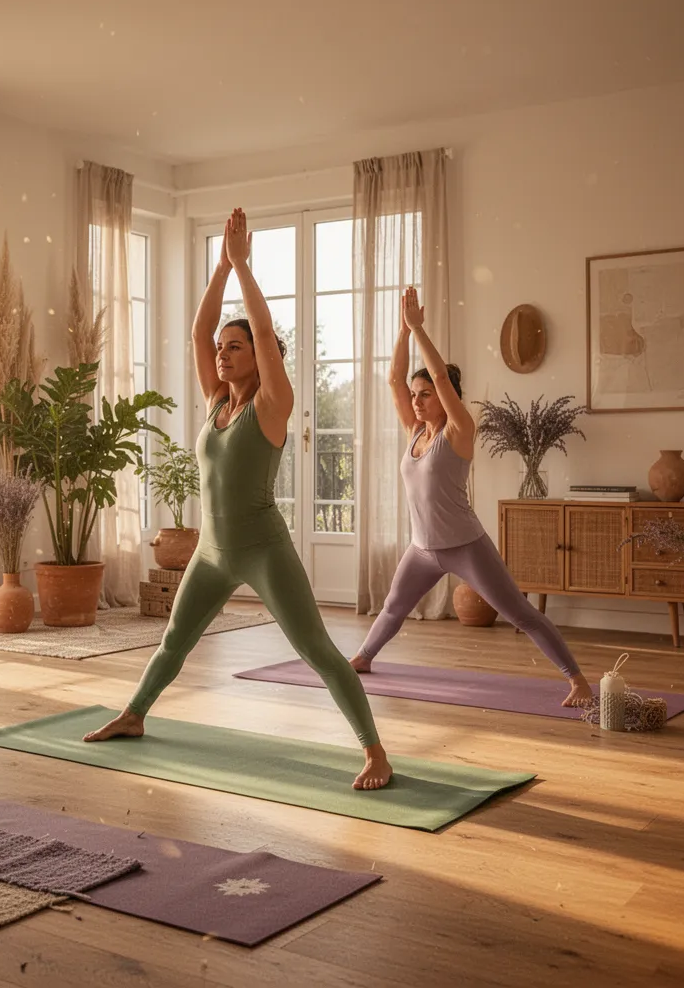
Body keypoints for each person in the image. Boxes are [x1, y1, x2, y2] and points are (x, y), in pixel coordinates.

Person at [85, 209, 393, 789]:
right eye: (223, 348)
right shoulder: (214, 401)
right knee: (174, 641)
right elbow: (197, 335)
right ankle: (133, 715)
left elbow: (265, 339)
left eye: (236, 347)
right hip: (212, 552)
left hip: (262, 549)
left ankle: (375, 750)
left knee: (319, 652)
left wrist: (245, 270)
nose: (222, 354)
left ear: (260, 355)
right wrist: (221, 269)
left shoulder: (272, 402)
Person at [349, 286, 593, 708]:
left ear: (447, 398)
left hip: (464, 545)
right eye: (415, 395)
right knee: (392, 606)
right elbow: (393, 379)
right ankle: (364, 658)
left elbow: (442, 377)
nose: (418, 401)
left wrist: (419, 329)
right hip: (423, 549)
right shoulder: (414, 431)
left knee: (519, 613)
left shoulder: (459, 429)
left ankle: (578, 680)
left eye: (426, 395)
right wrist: (402, 333)